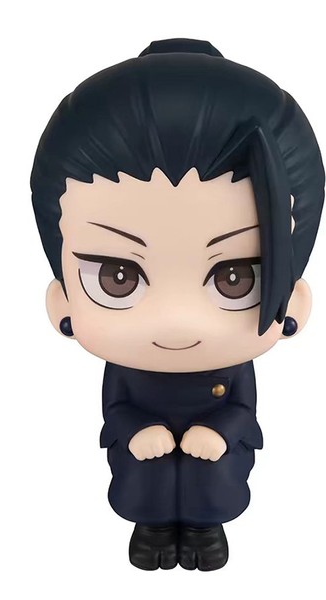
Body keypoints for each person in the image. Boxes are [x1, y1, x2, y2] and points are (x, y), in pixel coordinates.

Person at [30, 38, 325, 571]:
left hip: (214, 461)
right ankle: (152, 530)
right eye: (117, 278)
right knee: (145, 485)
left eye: (235, 278)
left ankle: (206, 530)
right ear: (62, 302)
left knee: (213, 485)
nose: (175, 319)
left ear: (294, 303)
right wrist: (135, 430)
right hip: (144, 461)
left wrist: (222, 432)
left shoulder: (233, 367)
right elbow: (116, 406)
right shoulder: (127, 367)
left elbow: (243, 409)